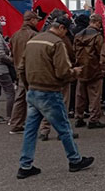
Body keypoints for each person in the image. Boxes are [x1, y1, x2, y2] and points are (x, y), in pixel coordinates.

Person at [16, 16, 93, 179]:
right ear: (62, 28)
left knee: (30, 130)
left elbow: (21, 68)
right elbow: (62, 71)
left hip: (33, 91)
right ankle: (75, 160)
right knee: (64, 128)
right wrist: (74, 73)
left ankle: (25, 165)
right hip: (49, 91)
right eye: (66, 31)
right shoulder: (57, 43)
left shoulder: (33, 41)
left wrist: (28, 86)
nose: (66, 35)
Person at [39, 10, 77, 141]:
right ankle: (63, 132)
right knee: (62, 104)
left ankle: (44, 130)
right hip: (61, 77)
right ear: (61, 27)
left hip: (46, 76)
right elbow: (70, 56)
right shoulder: (62, 40)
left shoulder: (41, 37)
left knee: (48, 104)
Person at [9, 11, 40, 135]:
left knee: (20, 98)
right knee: (34, 99)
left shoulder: (15, 35)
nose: (37, 21)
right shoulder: (34, 35)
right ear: (32, 20)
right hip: (31, 70)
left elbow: (11, 54)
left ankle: (16, 124)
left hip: (19, 70)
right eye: (36, 19)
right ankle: (34, 125)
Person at [73, 14, 105, 129]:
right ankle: (93, 119)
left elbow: (74, 52)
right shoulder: (97, 37)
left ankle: (78, 117)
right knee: (95, 96)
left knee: (80, 95)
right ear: (97, 23)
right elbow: (101, 53)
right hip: (94, 69)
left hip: (80, 69)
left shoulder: (78, 35)